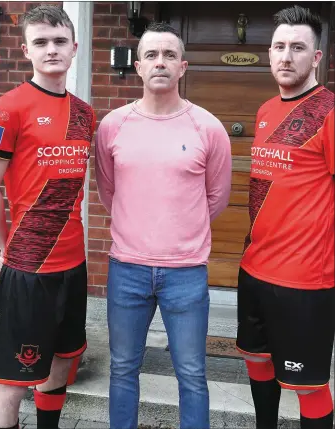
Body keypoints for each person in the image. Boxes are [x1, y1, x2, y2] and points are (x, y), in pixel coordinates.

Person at [95, 21, 231, 429]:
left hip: (186, 273)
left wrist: (180, 231)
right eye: (151, 55)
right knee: (122, 369)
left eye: (169, 55)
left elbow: (217, 197)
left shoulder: (207, 127)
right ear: (138, 66)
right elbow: (108, 191)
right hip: (127, 270)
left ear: (183, 66)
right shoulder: (112, 126)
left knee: (191, 374)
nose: (160, 62)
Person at [0, 5, 95, 429]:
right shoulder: (8, 108)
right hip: (28, 266)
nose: (51, 50)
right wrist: (2, 245)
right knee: (12, 380)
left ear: (74, 48)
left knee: (60, 363)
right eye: (41, 42)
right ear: (26, 50)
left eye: (59, 42)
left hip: (74, 263)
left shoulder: (85, 114)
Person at [236, 5, 334, 429]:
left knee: (309, 386)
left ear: (316, 57)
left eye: (298, 47)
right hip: (254, 269)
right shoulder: (264, 111)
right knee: (257, 363)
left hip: (305, 281)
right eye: (279, 46)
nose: (286, 56)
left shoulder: (329, 111)